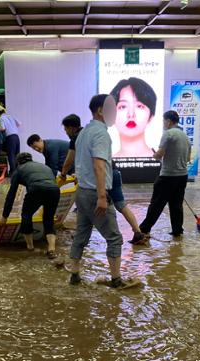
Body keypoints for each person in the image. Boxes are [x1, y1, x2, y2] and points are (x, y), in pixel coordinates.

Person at [68, 94, 135, 289]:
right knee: (115, 238)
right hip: (94, 194)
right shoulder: (101, 134)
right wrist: (102, 197)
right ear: (100, 110)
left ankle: (74, 275)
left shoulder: (84, 132)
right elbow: (99, 166)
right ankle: (116, 280)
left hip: (81, 192)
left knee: (81, 234)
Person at [139, 110, 191, 239]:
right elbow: (188, 158)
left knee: (156, 204)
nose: (163, 124)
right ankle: (177, 231)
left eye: (163, 121)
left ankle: (143, 230)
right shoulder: (185, 136)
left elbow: (159, 154)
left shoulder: (168, 134)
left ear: (168, 121)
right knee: (176, 205)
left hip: (168, 176)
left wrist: (155, 155)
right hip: (182, 176)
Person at [0, 152, 61, 258]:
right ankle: (51, 249)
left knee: (26, 215)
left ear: (18, 162)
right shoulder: (44, 167)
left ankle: (30, 247)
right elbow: (49, 182)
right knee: (48, 218)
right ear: (31, 159)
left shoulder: (19, 170)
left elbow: (11, 195)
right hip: (54, 190)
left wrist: (5, 216)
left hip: (36, 189)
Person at [110, 77, 157, 158]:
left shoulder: (160, 161)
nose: (131, 114)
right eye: (123, 107)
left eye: (139, 106)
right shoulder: (108, 164)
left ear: (151, 116)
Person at [110, 164, 146, 245]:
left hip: (105, 174)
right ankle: (138, 233)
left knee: (91, 205)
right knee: (121, 205)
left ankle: (82, 234)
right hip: (115, 172)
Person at [0, 108, 21, 174]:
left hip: (10, 138)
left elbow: (3, 129)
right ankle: (18, 171)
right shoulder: (11, 116)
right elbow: (19, 124)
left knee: (11, 155)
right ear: (4, 112)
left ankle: (12, 172)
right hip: (16, 137)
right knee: (17, 155)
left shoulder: (1, 118)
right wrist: (12, 127)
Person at [59, 113, 82, 179]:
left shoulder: (75, 138)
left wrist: (63, 174)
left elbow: (69, 161)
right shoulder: (87, 132)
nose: (66, 133)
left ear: (71, 128)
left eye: (66, 129)